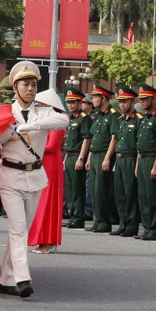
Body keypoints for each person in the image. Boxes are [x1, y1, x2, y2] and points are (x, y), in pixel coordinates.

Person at [0, 62, 69, 298]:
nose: (31, 88)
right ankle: (22, 279)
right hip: (10, 176)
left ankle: (5, 279)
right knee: (19, 228)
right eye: (25, 84)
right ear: (15, 87)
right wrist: (10, 132)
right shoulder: (5, 113)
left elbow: (63, 120)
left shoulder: (43, 111)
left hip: (35, 177)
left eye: (34, 84)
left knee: (21, 230)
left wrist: (31, 125)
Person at [28, 91, 67, 253]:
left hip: (51, 164)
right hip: (42, 162)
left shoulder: (57, 121)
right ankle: (41, 238)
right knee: (39, 202)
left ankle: (49, 240)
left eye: (40, 105)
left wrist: (31, 146)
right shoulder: (43, 120)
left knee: (48, 202)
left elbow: (51, 146)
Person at [104, 87, 141, 237]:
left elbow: (139, 144)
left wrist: (137, 165)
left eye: (125, 102)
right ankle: (123, 223)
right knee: (120, 194)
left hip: (131, 158)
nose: (122, 105)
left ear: (132, 102)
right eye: (120, 102)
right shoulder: (120, 120)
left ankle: (132, 226)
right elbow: (116, 138)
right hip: (119, 159)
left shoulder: (138, 119)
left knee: (130, 193)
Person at [134, 84, 156, 241]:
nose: (141, 102)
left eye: (144, 99)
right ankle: (147, 227)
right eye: (140, 99)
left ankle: (155, 228)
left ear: (154, 99)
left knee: (152, 196)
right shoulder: (146, 117)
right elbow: (140, 143)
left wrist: (155, 166)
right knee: (143, 196)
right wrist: (137, 164)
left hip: (152, 158)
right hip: (142, 159)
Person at [86, 85, 118, 233]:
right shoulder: (99, 115)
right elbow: (94, 138)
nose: (93, 100)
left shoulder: (112, 114)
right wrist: (89, 158)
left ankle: (104, 221)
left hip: (104, 154)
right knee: (94, 189)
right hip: (95, 154)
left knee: (101, 189)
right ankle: (97, 220)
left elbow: (114, 138)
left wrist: (107, 158)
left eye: (95, 97)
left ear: (103, 98)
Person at [62, 88, 92, 229]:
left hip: (77, 157)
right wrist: (65, 158)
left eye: (73, 102)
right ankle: (72, 215)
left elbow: (86, 139)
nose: (71, 105)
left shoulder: (84, 118)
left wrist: (81, 158)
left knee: (77, 189)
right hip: (69, 156)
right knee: (69, 189)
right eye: (69, 103)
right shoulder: (72, 118)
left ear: (80, 103)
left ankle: (78, 217)